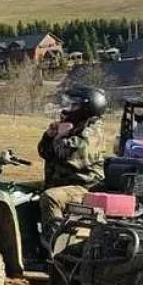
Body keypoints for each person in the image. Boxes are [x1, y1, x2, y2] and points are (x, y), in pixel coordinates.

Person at [38, 85, 108, 240]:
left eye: (74, 105)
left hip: (84, 187)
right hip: (61, 183)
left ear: (87, 107)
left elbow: (71, 155)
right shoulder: (73, 126)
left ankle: (55, 244)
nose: (68, 108)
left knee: (50, 198)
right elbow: (45, 153)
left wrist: (60, 136)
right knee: (19, 191)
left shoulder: (93, 131)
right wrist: (49, 136)